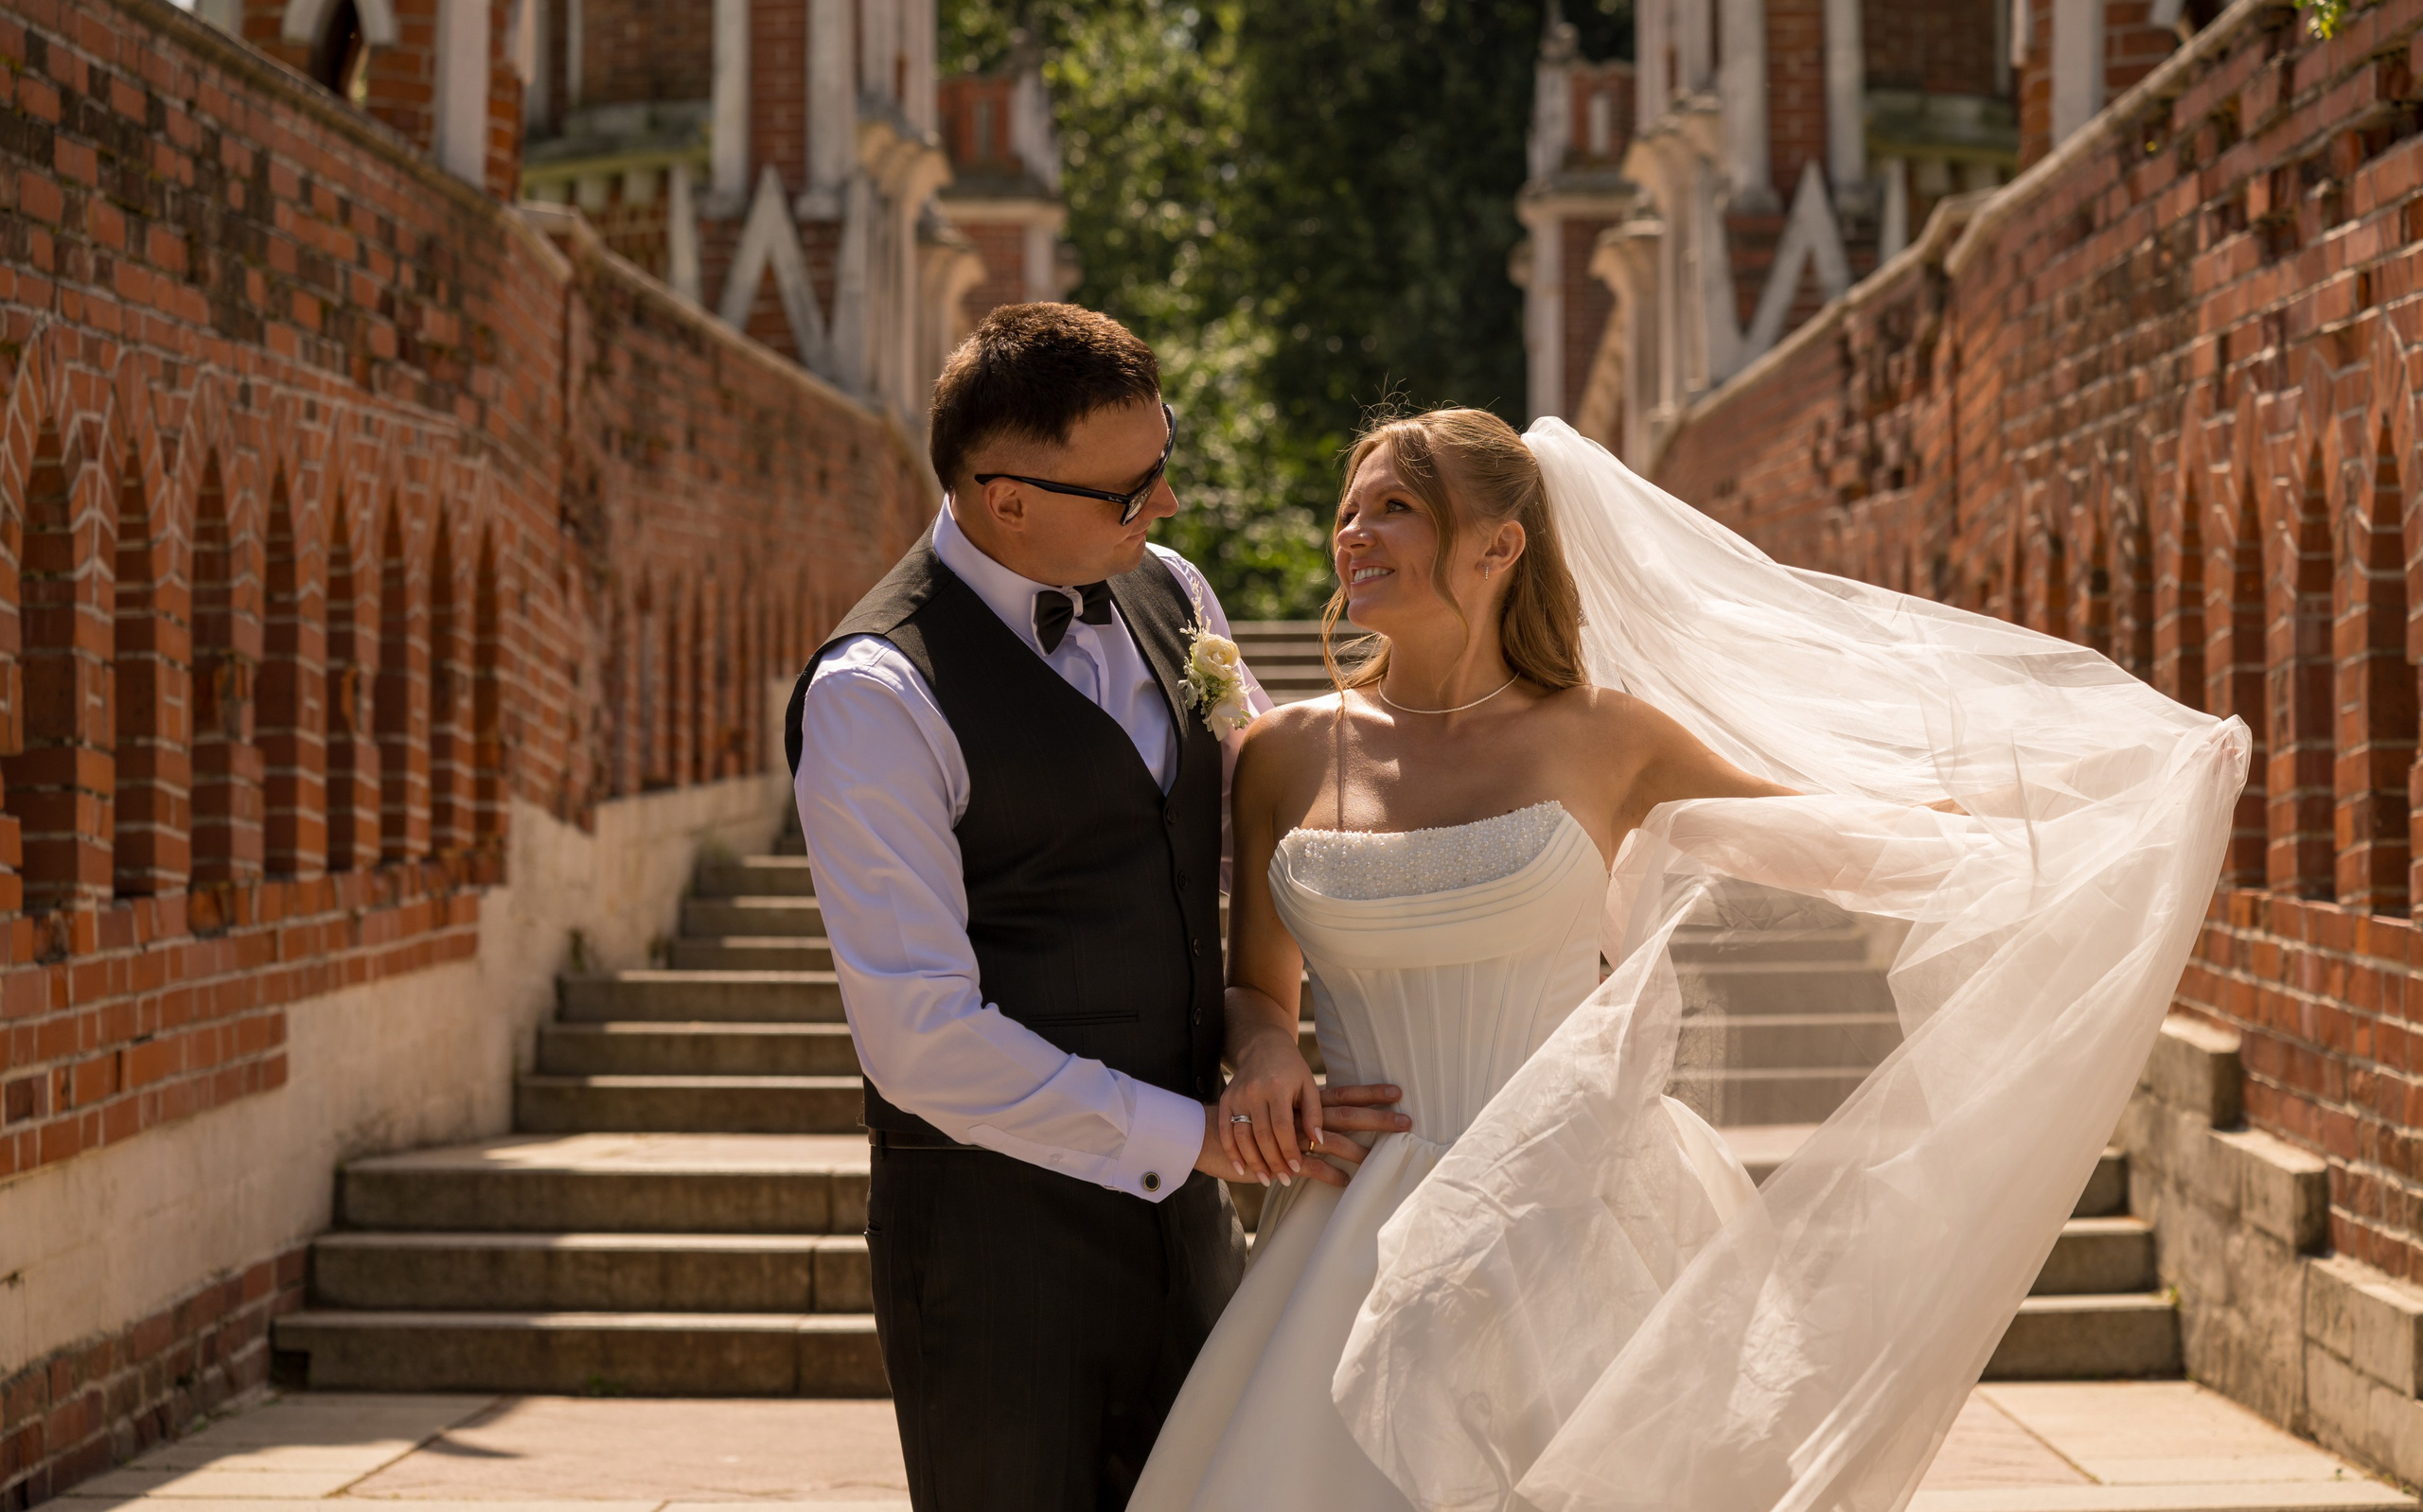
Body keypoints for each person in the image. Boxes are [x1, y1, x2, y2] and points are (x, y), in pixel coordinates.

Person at [1133, 408, 2248, 1512]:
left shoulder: (1609, 737)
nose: (1354, 536)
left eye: (1395, 509)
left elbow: (1845, 839)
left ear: (1497, 545)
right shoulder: (1283, 754)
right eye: (1349, 511)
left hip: (1576, 1215)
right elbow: (1254, 988)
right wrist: (1268, 1053)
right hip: (1353, 1222)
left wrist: (2106, 807)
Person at [785, 302, 1409, 1512]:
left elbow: (1261, 827)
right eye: (1128, 491)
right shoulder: (877, 694)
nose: (1166, 506)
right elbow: (918, 1037)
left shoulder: (1172, 591)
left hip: (1189, 1230)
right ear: (1002, 496)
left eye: (1163, 456)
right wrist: (1196, 1139)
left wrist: (1265, 1029)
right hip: (991, 1251)